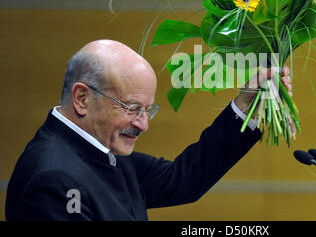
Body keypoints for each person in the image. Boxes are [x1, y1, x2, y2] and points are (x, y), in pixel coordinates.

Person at [5, 39, 292, 220]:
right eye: (131, 108)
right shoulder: (55, 180)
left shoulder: (100, 151)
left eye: (148, 110)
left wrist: (246, 105)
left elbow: (185, 179)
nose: (143, 124)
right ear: (82, 99)